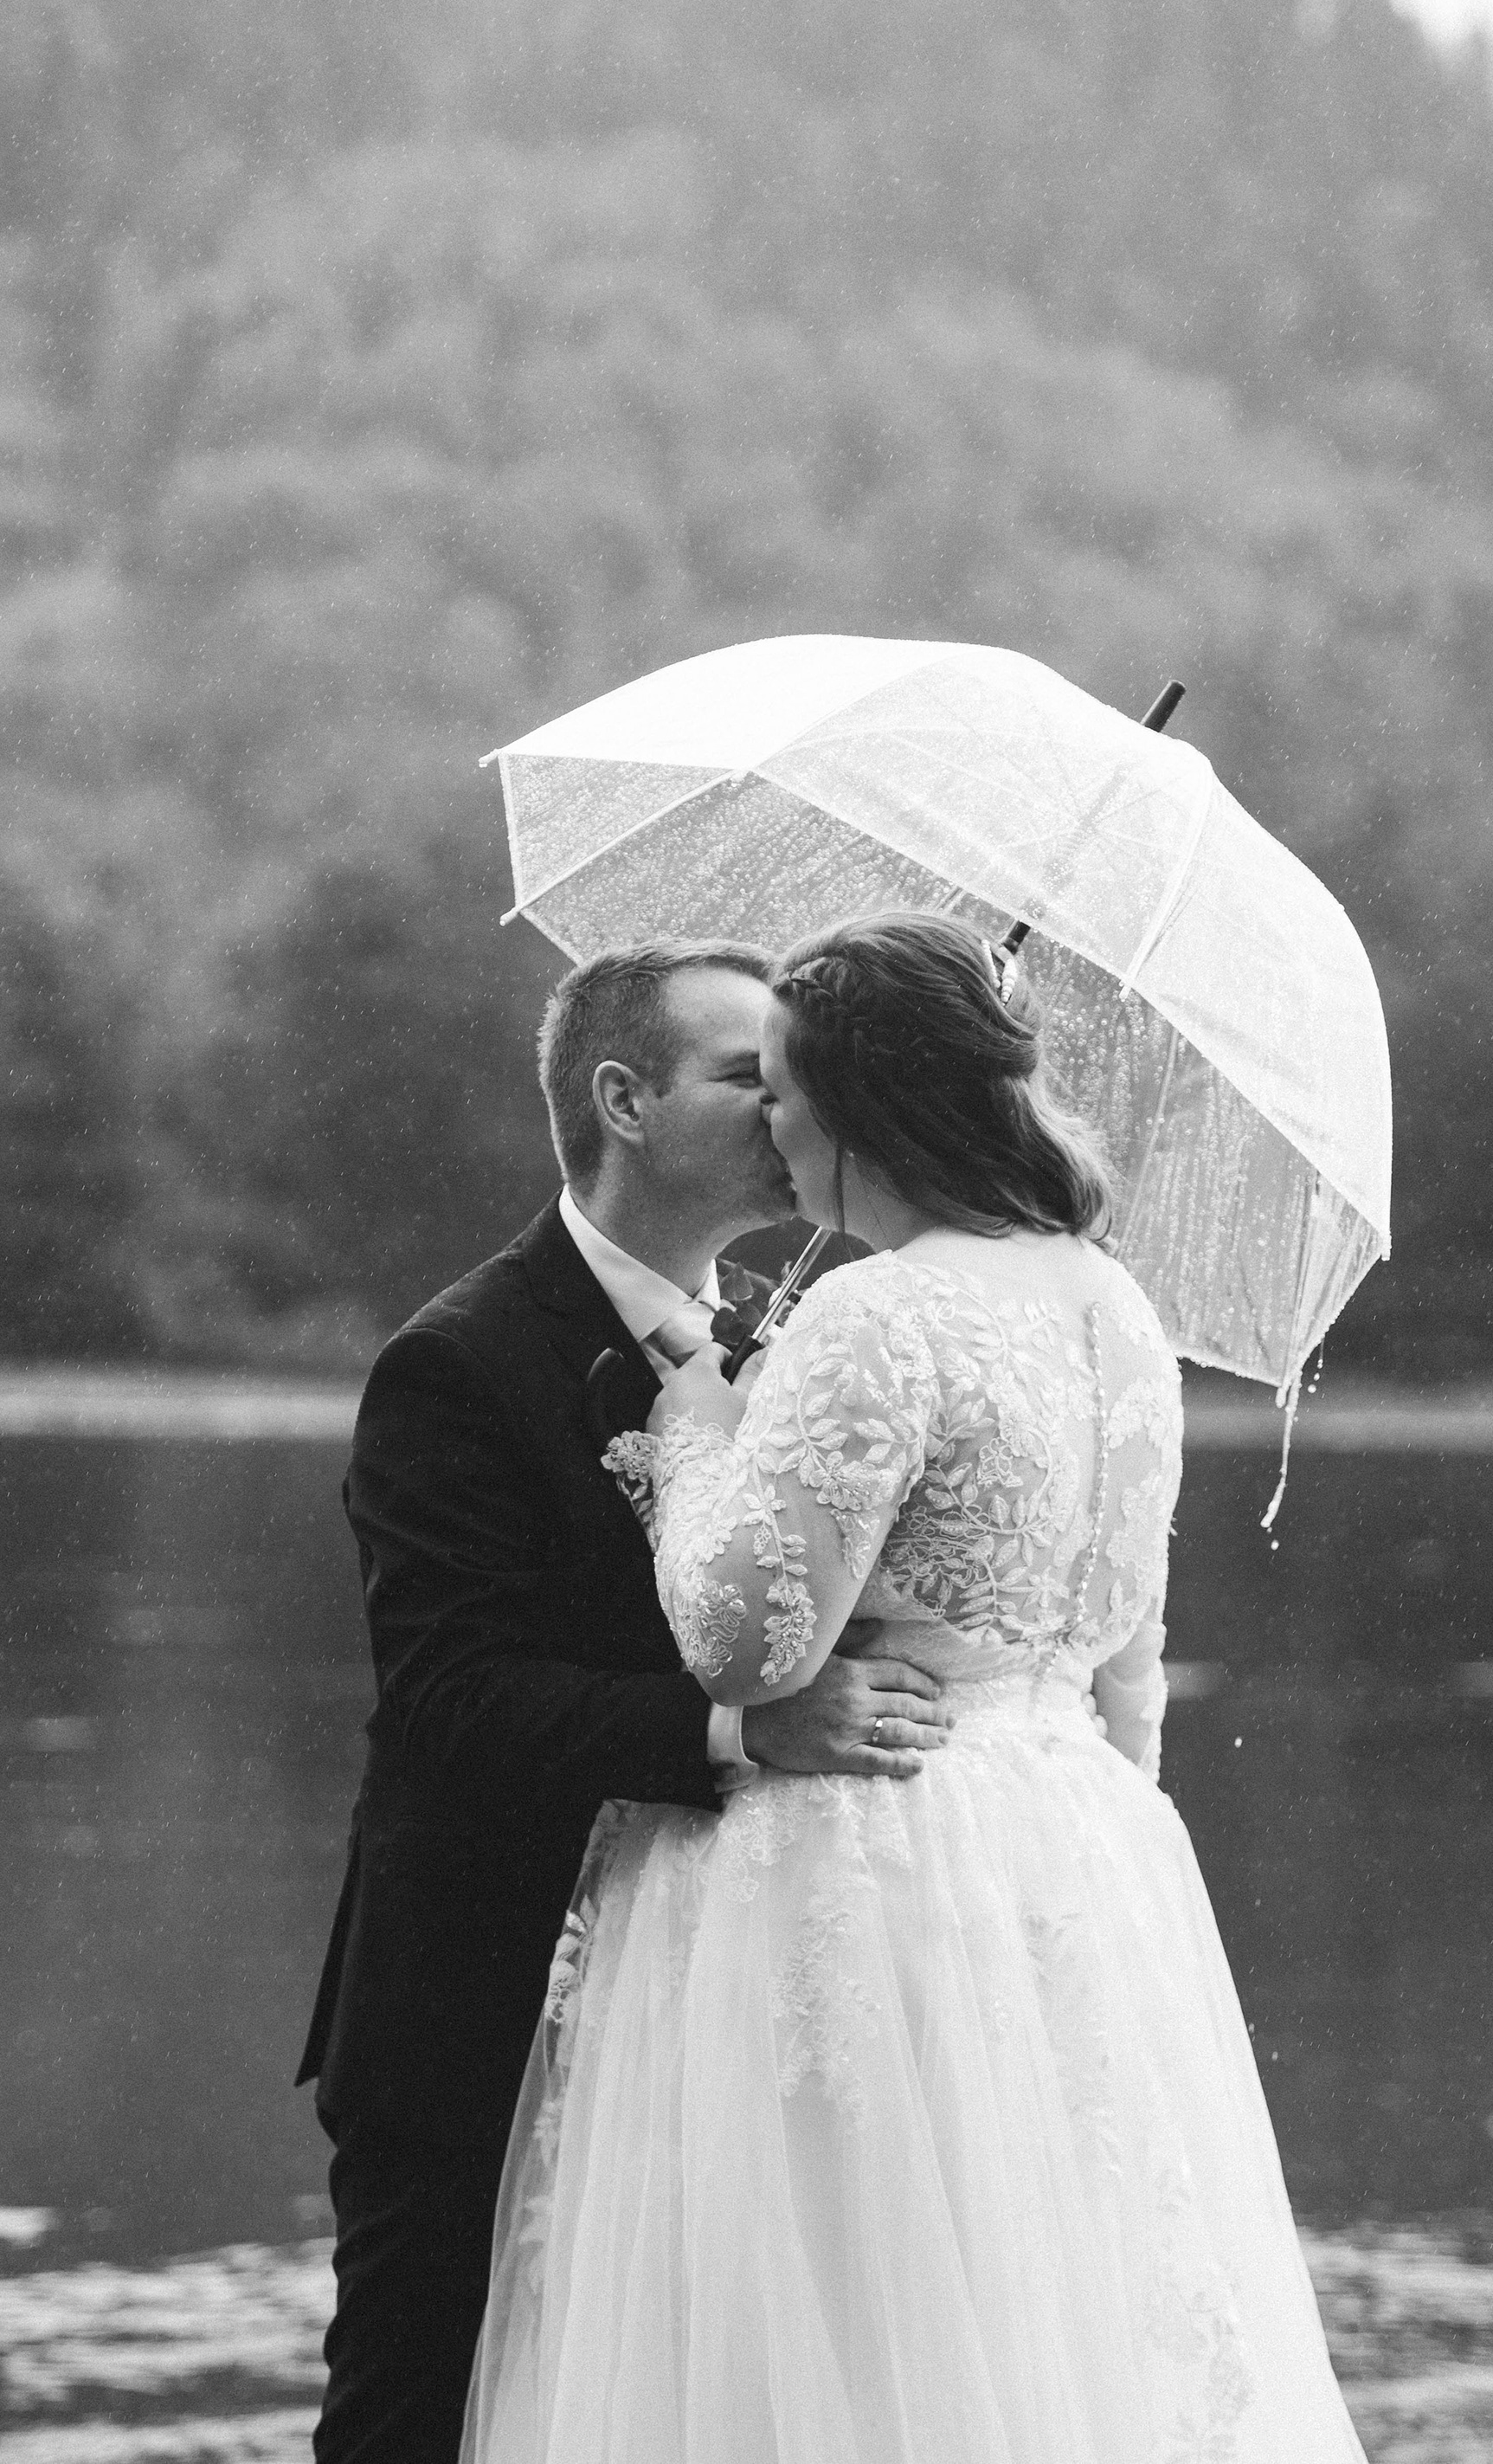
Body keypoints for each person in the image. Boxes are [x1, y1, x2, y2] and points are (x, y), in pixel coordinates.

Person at [464, 910, 1368, 2464]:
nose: (770, 1121)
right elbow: (1129, 1664)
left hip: (869, 1852)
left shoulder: (874, 1312)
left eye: (783, 1086)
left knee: (837, 2326)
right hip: (1076, 1853)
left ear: (853, 1102)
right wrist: (1074, 1876)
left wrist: (696, 1438)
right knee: (1053, 2317)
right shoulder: (1115, 1308)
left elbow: (748, 1651)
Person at [297, 937, 957, 2464]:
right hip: (479, 1987)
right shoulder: (456, 1362)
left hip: (707, 1988)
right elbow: (453, 1700)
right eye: (750, 1075)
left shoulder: (797, 1340)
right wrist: (743, 1730)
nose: (794, 1106)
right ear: (624, 1101)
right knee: (418, 2411)